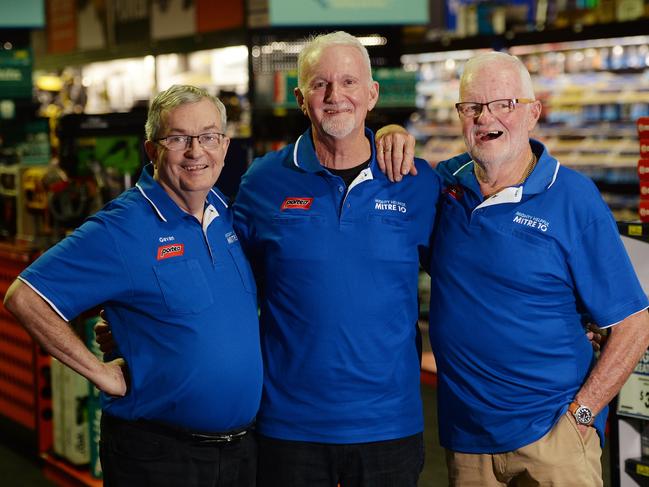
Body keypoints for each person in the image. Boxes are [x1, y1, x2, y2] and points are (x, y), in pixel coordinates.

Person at [3, 85, 263, 487]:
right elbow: (25, 297)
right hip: (160, 457)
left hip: (239, 453)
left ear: (225, 146)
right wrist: (101, 373)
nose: (196, 152)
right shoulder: (122, 228)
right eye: (178, 138)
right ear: (151, 150)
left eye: (209, 136)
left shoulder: (224, 212)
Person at [427, 51, 649, 486]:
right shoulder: (444, 186)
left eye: (503, 104)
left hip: (554, 445)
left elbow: (633, 325)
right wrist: (393, 132)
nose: (485, 117)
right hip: (467, 442)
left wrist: (581, 416)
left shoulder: (573, 199)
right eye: (471, 106)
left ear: (533, 113)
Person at [232, 31, 441, 486]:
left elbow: (471, 274)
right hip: (289, 426)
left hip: (390, 425)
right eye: (321, 84)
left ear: (372, 94)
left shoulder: (415, 181)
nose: (335, 96)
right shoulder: (263, 182)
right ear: (300, 98)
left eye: (349, 82)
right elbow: (226, 285)